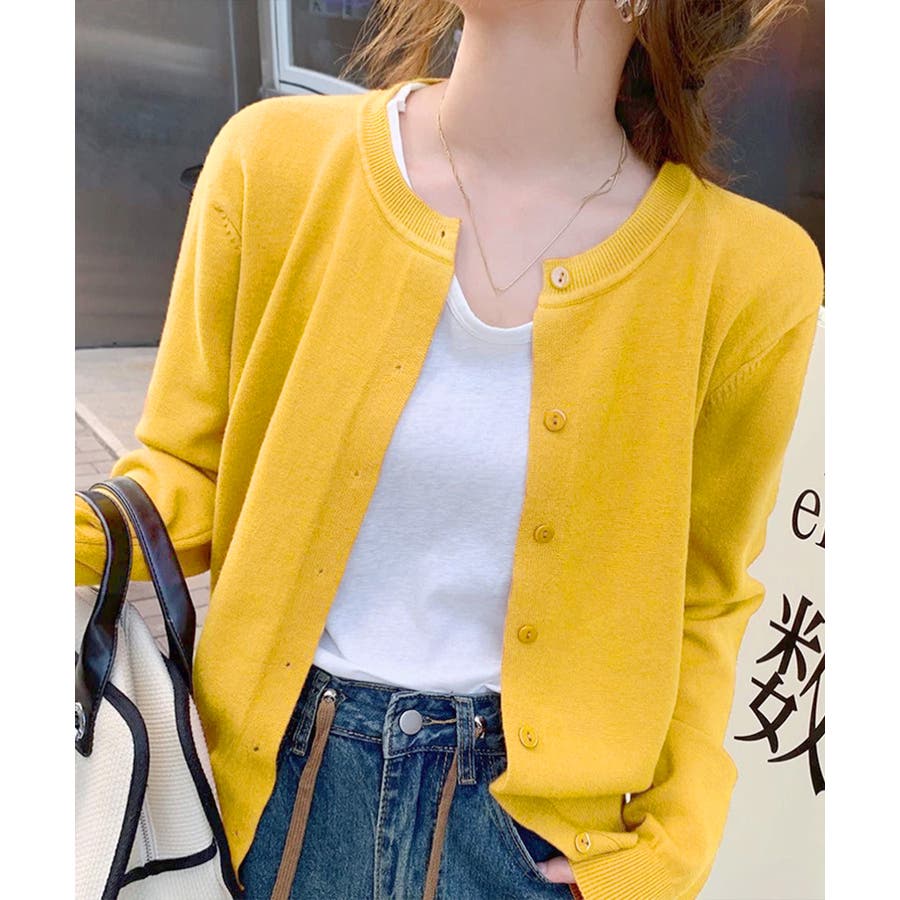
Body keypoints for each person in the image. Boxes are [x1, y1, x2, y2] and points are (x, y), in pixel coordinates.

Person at [74, 1, 822, 898]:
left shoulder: (748, 275)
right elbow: (184, 474)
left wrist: (676, 841)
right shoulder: (273, 163)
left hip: (528, 846)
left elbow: (704, 594)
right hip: (267, 801)